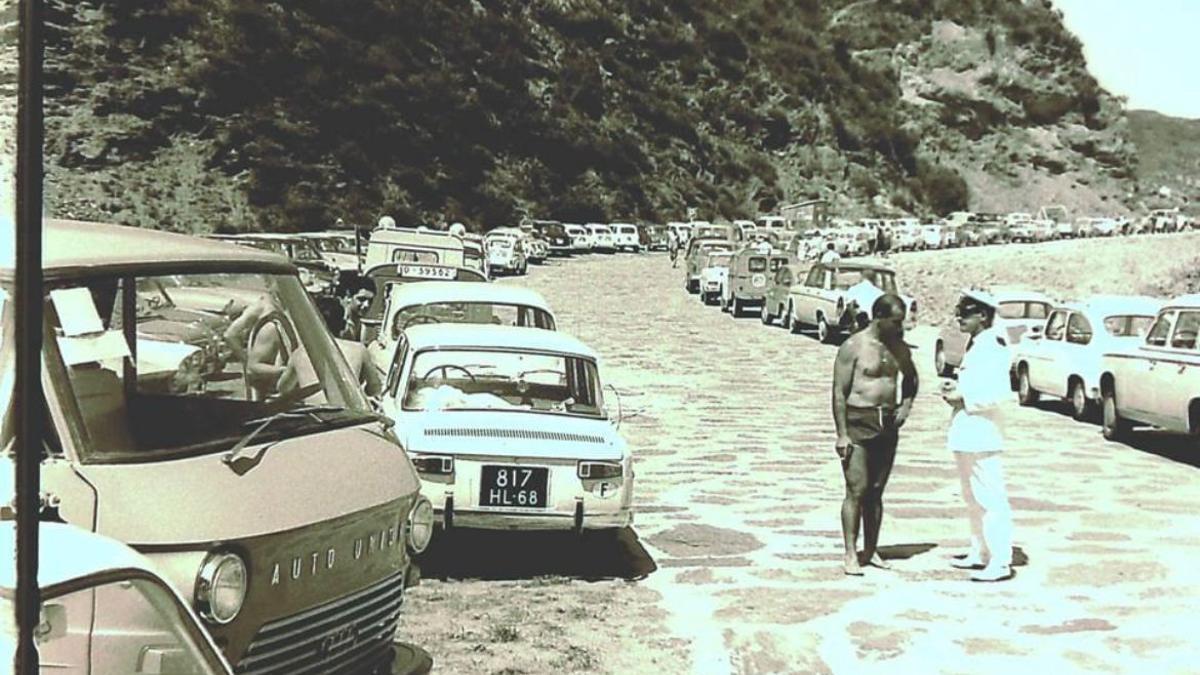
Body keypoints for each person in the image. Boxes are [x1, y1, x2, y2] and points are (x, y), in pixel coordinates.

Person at [831, 294, 919, 576]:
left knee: (877, 491)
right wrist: (842, 434)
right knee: (856, 489)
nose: (900, 327)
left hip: (887, 422)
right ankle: (850, 553)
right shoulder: (853, 347)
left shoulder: (898, 347)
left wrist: (906, 405)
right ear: (879, 317)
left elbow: (912, 378)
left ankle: (871, 550)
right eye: (895, 322)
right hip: (859, 420)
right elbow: (839, 393)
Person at [940, 289, 1016, 582]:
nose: (959, 317)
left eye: (965, 312)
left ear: (982, 315)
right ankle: (980, 551)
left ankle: (1000, 560)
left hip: (983, 432)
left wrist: (962, 396)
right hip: (967, 431)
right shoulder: (977, 344)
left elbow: (998, 393)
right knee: (971, 496)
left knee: (991, 497)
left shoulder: (993, 345)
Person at [316, 296, 384, 397]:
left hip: (309, 411)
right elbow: (374, 388)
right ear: (343, 325)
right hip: (347, 409)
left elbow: (284, 391)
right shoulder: (359, 350)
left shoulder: (300, 353)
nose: (366, 304)